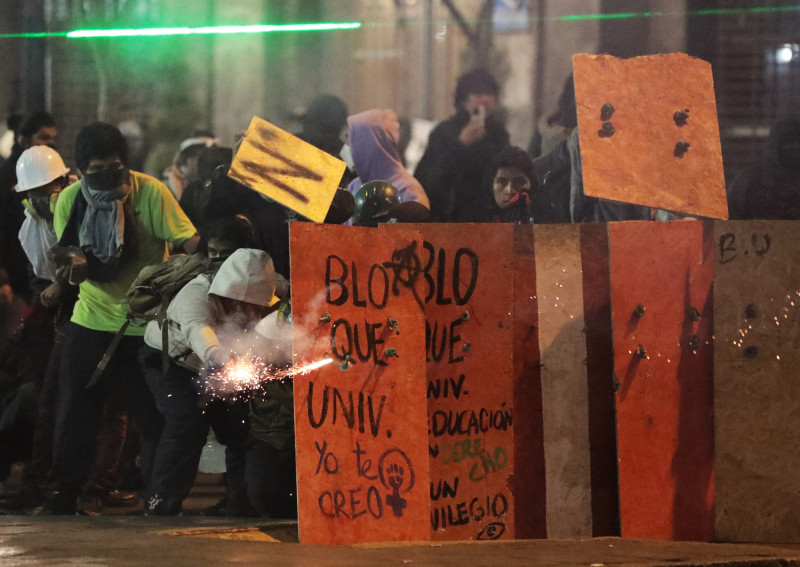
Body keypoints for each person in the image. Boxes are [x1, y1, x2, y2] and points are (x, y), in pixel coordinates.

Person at [42, 122, 199, 514]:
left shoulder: (152, 193)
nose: (107, 179)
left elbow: (187, 237)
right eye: (95, 172)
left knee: (153, 417)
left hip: (144, 325)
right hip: (91, 321)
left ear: (125, 164)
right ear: (80, 171)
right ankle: (63, 494)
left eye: (114, 168)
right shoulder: (70, 201)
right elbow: (73, 257)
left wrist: (215, 244)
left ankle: (159, 498)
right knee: (75, 415)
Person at [141, 248, 280, 515]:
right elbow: (198, 329)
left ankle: (240, 504)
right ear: (235, 298)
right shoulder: (195, 295)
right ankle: (162, 503)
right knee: (187, 421)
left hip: (215, 366)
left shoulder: (270, 288)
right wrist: (219, 356)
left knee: (240, 426)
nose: (254, 314)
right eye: (251, 308)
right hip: (171, 363)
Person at [414, 68, 509, 222]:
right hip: (450, 220)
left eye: (490, 94)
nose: (485, 99)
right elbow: (428, 179)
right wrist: (461, 144)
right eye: (478, 94)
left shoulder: (498, 133)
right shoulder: (444, 132)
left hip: (489, 221)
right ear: (464, 100)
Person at [0, 111, 58, 302]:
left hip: (41, 268)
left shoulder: (51, 170)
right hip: (16, 271)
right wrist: (3, 279)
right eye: (43, 138)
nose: (49, 144)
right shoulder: (6, 175)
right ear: (25, 139)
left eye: (52, 138)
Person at [346, 109, 429, 209]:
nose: (349, 147)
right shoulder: (354, 186)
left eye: (355, 140)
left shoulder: (407, 190)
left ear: (372, 145)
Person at [727, 118, 800, 219]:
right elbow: (721, 223)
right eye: (788, 142)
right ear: (774, 145)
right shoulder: (750, 180)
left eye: (798, 143)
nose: (795, 148)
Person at [478, 146, 537, 224]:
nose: (509, 190)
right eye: (501, 182)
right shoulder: (475, 218)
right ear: (491, 185)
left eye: (518, 182)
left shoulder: (546, 217)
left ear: (532, 183)